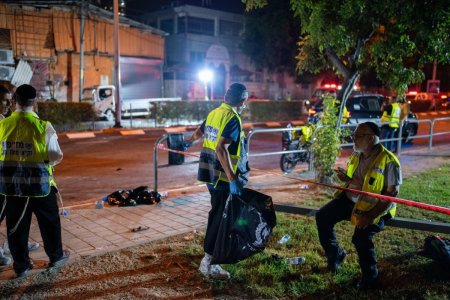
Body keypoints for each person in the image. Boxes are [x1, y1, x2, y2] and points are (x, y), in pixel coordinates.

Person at [315, 121, 402, 291]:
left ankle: (371, 279)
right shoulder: (357, 154)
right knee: (322, 217)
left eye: (358, 136)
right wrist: (346, 178)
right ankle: (335, 254)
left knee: (361, 238)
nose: (353, 139)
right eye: (354, 135)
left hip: (375, 209)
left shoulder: (389, 161)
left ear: (370, 139)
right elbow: (358, 180)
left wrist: (370, 216)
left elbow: (391, 196)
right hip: (350, 200)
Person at [0, 84, 69, 278]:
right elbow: (55, 155)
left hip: (12, 188)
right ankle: (56, 256)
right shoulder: (43, 126)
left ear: (15, 101)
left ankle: (21, 266)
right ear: (35, 102)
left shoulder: (2, 125)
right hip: (41, 187)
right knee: (50, 223)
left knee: (16, 227)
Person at [185, 83, 250, 280]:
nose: (244, 106)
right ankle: (209, 262)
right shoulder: (232, 118)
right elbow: (221, 148)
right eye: (244, 102)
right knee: (219, 218)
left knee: (220, 214)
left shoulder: (215, 113)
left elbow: (199, 132)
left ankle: (217, 255)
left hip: (210, 175)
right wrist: (233, 179)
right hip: (222, 178)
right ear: (242, 102)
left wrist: (186, 141)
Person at [0, 85, 40, 268]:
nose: (9, 104)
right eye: (5, 100)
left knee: (12, 215)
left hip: (7, 179)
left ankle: (14, 245)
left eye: (10, 100)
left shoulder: (4, 119)